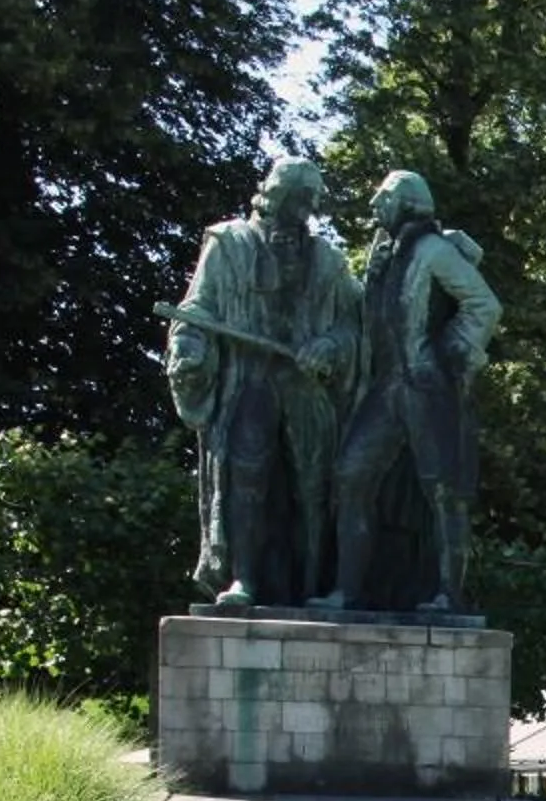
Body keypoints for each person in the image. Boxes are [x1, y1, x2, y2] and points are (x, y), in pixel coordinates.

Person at [164, 158, 358, 607]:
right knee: (246, 476)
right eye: (301, 198)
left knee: (314, 486)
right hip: (248, 382)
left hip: (304, 389)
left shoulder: (328, 261)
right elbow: (197, 310)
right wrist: (187, 350)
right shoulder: (228, 243)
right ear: (277, 195)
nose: (308, 209)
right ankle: (243, 580)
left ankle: (313, 585)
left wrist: (328, 345)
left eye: (311, 201)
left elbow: (353, 326)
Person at [322, 170, 500, 613]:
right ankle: (347, 590)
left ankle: (447, 593)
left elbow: (485, 305)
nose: (374, 207)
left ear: (405, 202)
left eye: (381, 198)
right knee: (350, 475)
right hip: (387, 387)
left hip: (427, 384)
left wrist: (453, 352)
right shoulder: (382, 257)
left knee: (444, 492)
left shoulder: (435, 250)